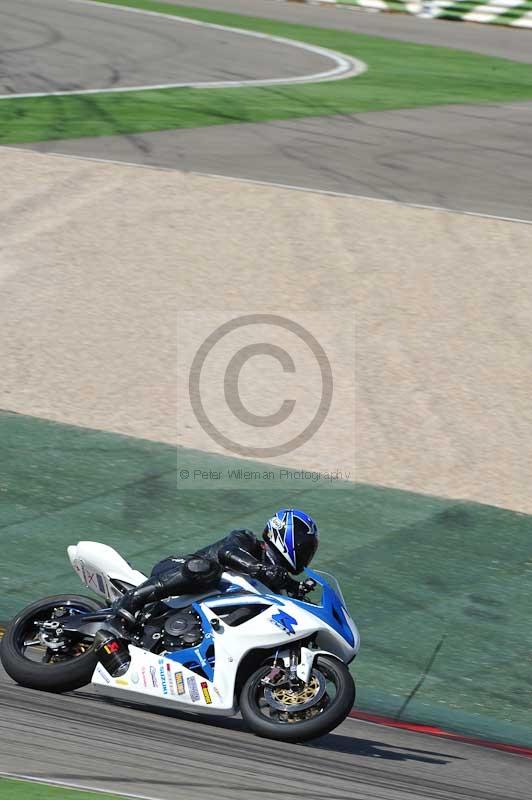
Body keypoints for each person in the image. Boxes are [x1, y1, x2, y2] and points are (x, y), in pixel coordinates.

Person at [112, 508, 319, 629]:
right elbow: (227, 553)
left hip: (195, 617)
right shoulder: (247, 540)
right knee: (208, 569)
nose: (305, 554)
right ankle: (132, 600)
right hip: (179, 569)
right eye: (303, 546)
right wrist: (261, 568)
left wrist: (296, 589)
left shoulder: (276, 585)